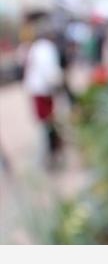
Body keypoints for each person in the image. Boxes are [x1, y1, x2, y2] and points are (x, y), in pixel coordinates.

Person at [23, 23, 64, 168]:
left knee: (45, 121)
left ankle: (51, 150)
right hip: (44, 90)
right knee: (47, 122)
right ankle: (48, 153)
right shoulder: (46, 48)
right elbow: (50, 71)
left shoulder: (36, 47)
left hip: (37, 89)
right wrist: (58, 84)